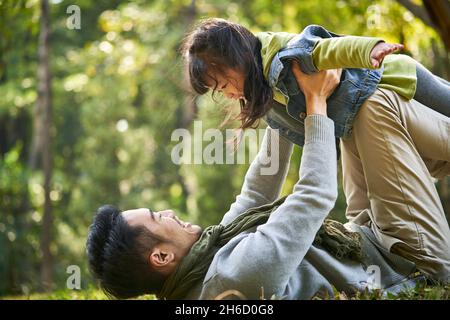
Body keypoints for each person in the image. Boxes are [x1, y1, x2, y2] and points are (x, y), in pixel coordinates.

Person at [86, 68, 423, 299]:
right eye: (157, 217)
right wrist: (315, 103)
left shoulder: (205, 265)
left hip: (365, 238)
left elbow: (256, 193)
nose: (169, 212)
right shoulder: (231, 279)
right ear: (160, 257)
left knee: (357, 110)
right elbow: (314, 195)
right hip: (405, 260)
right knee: (377, 105)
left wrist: (273, 100)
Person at [181, 18, 450, 281]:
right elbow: (261, 184)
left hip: (394, 78)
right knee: (368, 141)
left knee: (431, 100)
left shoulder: (289, 59)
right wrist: (214, 243)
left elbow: (330, 48)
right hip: (378, 129)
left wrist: (371, 49)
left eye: (224, 85)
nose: (227, 95)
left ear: (237, 60)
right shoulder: (272, 98)